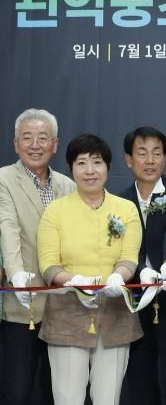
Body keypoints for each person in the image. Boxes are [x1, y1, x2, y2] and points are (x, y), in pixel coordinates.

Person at [37, 134, 143, 405]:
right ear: (71, 168)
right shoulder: (55, 211)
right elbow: (48, 265)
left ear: (108, 166)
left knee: (109, 398)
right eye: (81, 163)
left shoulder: (126, 209)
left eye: (97, 162)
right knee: (68, 398)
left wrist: (119, 276)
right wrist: (75, 281)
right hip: (67, 316)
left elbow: (129, 258)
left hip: (115, 315)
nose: (89, 170)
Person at [0, 108, 75, 405]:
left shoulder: (69, 186)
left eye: (42, 138)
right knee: (17, 391)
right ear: (16, 144)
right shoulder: (3, 179)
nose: (35, 145)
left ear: (54, 144)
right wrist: (17, 275)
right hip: (22, 306)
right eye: (27, 137)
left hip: (63, 308)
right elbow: (8, 229)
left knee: (57, 392)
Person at [118, 127, 166, 405]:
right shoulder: (119, 200)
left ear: (165, 158)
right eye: (142, 153)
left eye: (156, 153)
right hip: (135, 297)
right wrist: (140, 270)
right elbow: (119, 249)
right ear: (129, 160)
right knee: (139, 372)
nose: (150, 160)